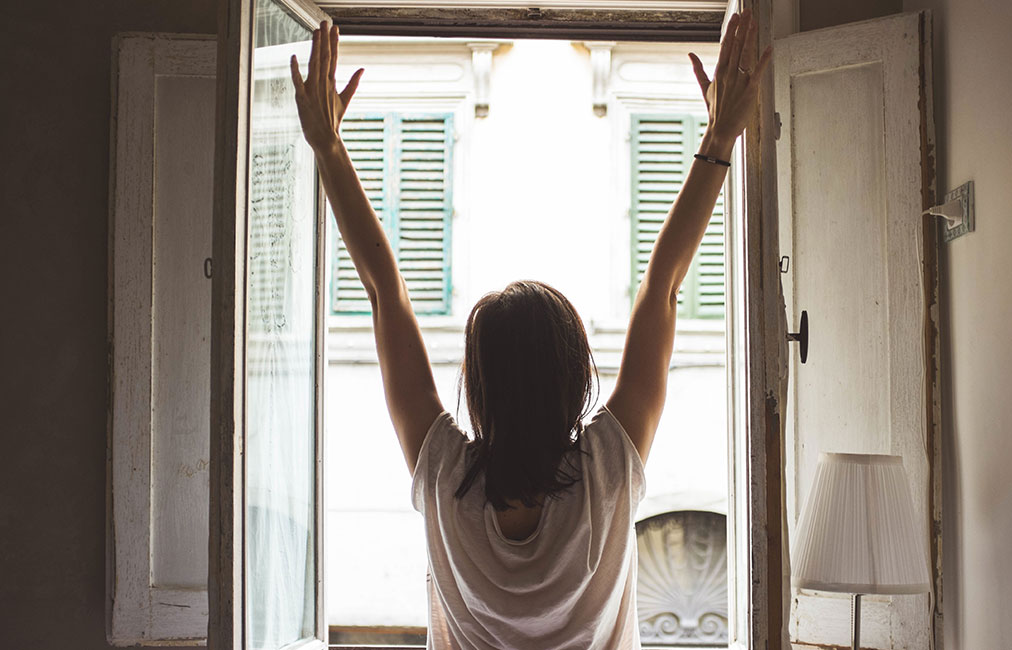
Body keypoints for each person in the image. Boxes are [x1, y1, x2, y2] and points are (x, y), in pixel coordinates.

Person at [290, 13, 770, 649]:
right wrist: (719, 136)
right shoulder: (608, 470)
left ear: (479, 384)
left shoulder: (442, 477)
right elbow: (663, 286)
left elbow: (384, 294)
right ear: (573, 379)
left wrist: (328, 147)